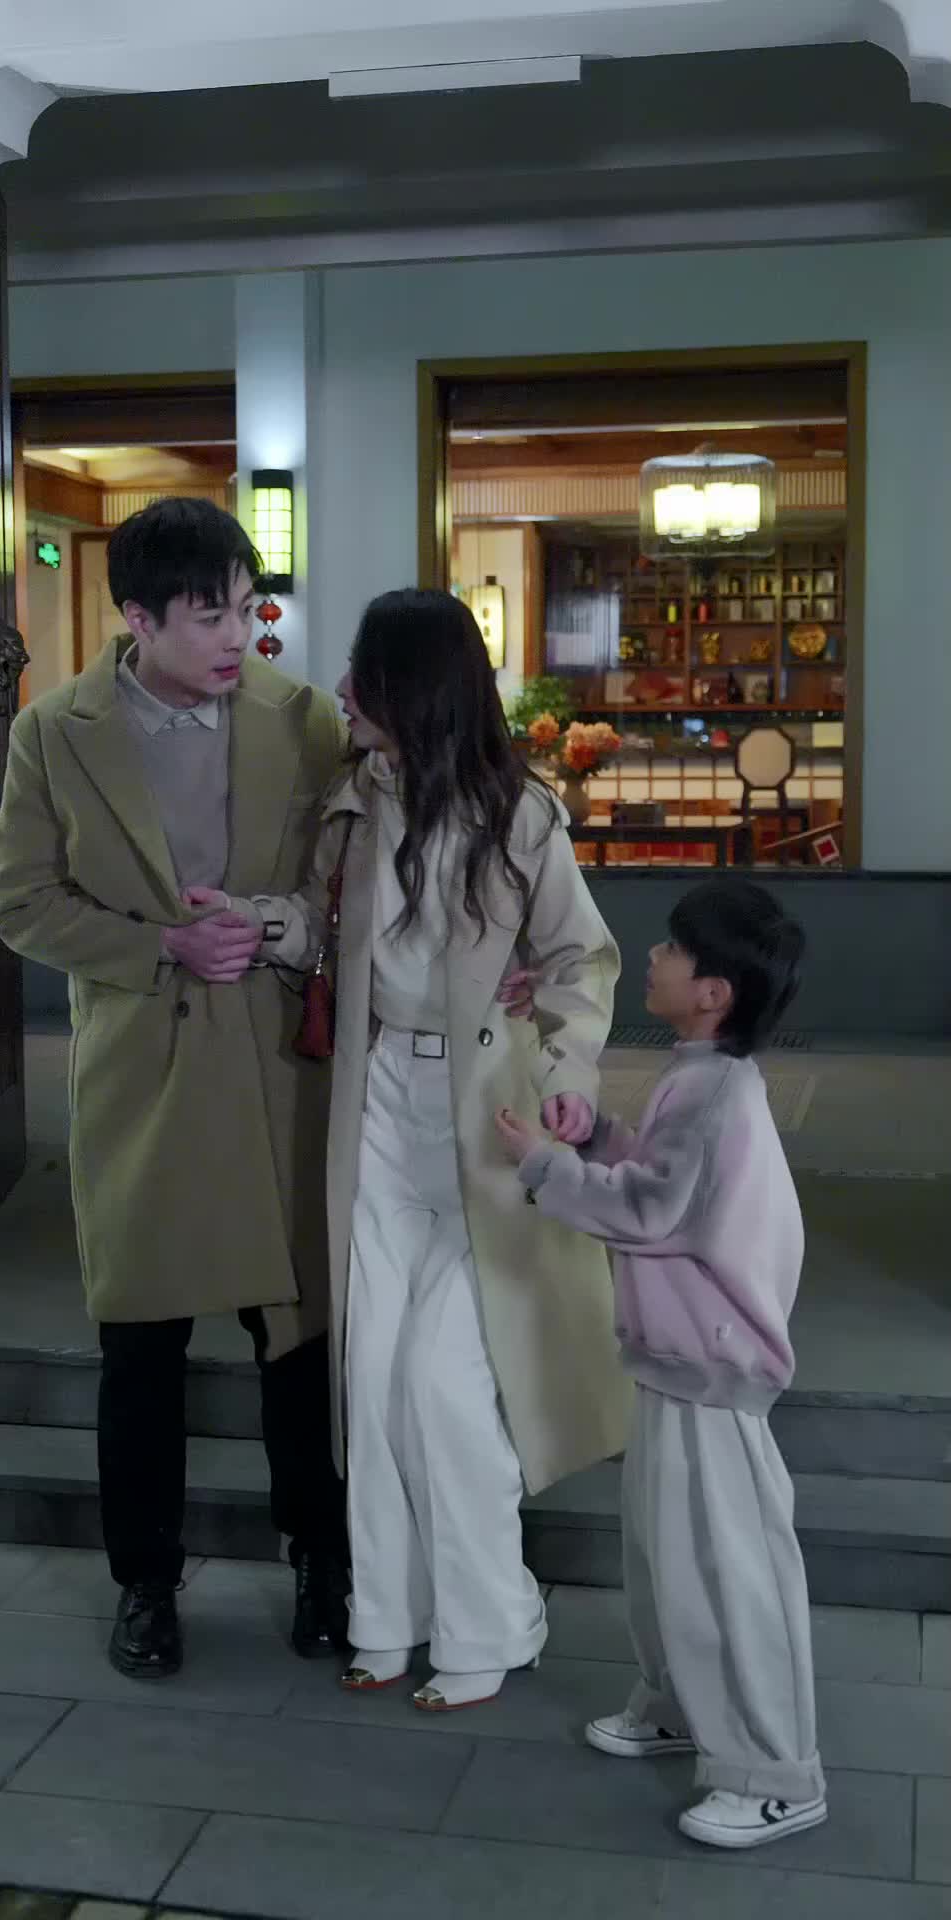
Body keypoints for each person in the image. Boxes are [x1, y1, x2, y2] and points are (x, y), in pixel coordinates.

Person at [209, 587, 630, 1712]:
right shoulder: (353, 807)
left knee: (446, 1388)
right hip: (378, 1104)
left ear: (418, 688)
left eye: (366, 673)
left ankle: (495, 1620)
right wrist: (263, 921)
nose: (344, 691)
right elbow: (325, 933)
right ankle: (390, 1617)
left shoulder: (521, 817)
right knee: (374, 1381)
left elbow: (580, 960)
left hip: (486, 1120)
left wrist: (569, 1078)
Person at [0, 497, 350, 1679]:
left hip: (279, 1068)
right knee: (139, 1347)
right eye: (208, 616)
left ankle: (324, 1561)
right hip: (141, 1069)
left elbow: (349, 885)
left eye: (248, 609)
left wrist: (275, 922)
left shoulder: (303, 720)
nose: (238, 636)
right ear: (137, 618)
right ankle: (144, 1582)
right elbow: (22, 902)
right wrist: (161, 946)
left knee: (299, 1343)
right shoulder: (56, 731)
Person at [495, 878, 826, 1851]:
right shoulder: (705, 1075)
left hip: (711, 1372)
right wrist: (597, 1137)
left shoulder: (716, 1092)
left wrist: (545, 1163)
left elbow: (651, 1212)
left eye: (674, 950)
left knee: (727, 1572)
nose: (653, 956)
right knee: (668, 1558)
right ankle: (681, 1703)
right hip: (680, 1363)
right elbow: (662, 1179)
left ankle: (775, 1774)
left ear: (713, 992)